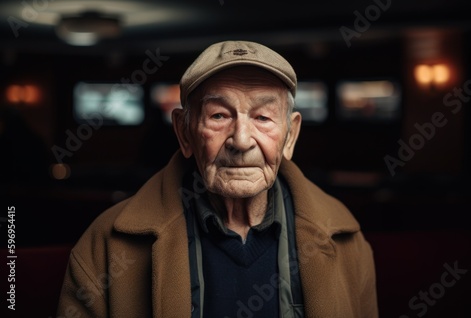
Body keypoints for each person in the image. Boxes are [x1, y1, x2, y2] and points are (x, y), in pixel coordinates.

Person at [57, 40, 378, 318]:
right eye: (219, 116)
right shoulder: (105, 244)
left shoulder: (345, 236)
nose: (241, 140)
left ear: (290, 135)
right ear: (184, 132)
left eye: (263, 117)